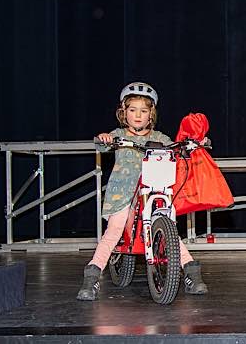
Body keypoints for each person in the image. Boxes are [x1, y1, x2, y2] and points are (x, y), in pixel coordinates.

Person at [76, 82, 209, 300]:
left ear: (151, 114)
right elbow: (103, 144)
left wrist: (193, 144)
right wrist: (105, 139)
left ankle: (191, 275)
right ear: (123, 112)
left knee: (171, 232)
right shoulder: (118, 134)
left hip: (153, 192)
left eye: (144, 111)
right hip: (122, 194)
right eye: (132, 110)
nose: (138, 115)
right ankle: (92, 278)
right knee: (115, 229)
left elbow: (177, 146)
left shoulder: (160, 138)